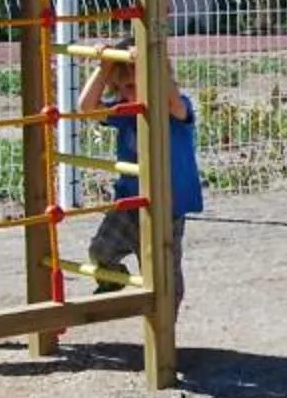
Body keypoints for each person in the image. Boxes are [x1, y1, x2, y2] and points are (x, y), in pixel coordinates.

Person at [77, 47, 199, 309]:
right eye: (123, 87)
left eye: (134, 84)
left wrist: (158, 63)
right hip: (130, 203)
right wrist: (105, 67)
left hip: (166, 208)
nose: (129, 93)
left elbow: (173, 103)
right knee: (100, 252)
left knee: (164, 276)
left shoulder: (177, 109)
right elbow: (86, 107)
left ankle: (164, 327)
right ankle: (114, 279)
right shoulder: (125, 112)